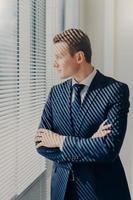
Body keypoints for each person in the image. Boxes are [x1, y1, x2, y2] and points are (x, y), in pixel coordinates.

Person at [34, 28, 131, 200]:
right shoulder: (55, 93)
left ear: (79, 57)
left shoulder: (116, 91)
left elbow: (108, 150)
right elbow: (41, 144)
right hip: (62, 191)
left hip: (102, 191)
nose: (54, 63)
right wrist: (90, 143)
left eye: (59, 57)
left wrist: (60, 140)